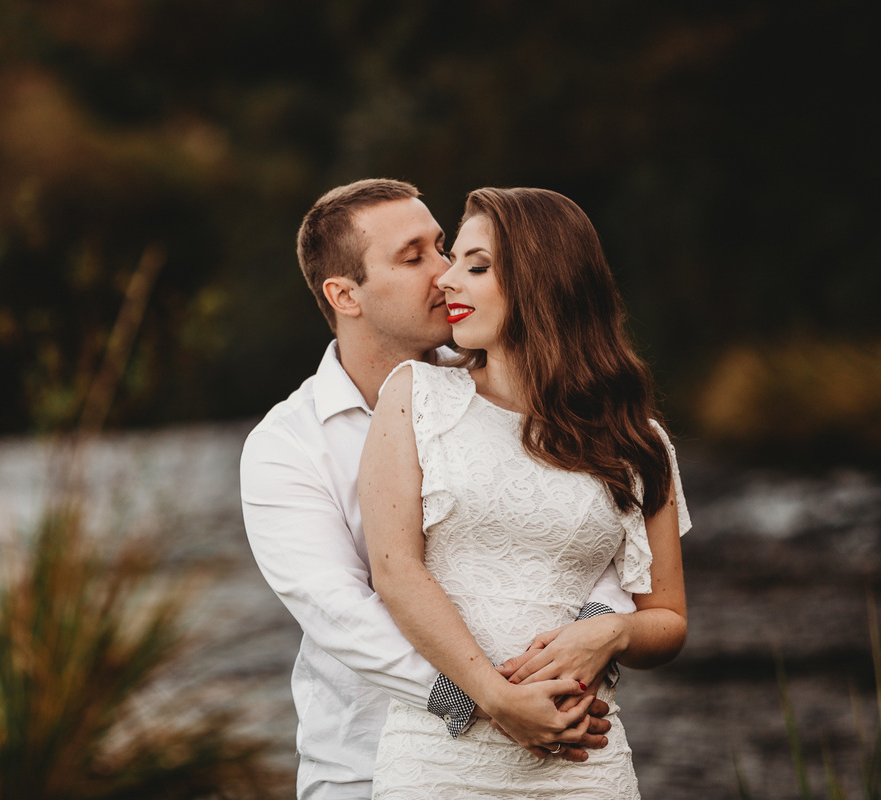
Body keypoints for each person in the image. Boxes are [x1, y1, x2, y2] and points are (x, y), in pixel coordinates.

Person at [240, 179, 641, 800]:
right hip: (363, 764)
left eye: (443, 247)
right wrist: (491, 699)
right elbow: (340, 611)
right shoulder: (286, 446)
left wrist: (585, 645)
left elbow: (588, 528)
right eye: (413, 257)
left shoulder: (508, 390)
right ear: (345, 294)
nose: (445, 271)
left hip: (552, 742)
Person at [359, 187, 691, 798]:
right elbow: (395, 571)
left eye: (476, 266)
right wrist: (496, 698)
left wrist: (611, 634)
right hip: (440, 760)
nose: (446, 281)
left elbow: (667, 619)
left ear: (546, 281)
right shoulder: (416, 397)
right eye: (452, 260)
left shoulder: (635, 441)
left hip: (583, 763)